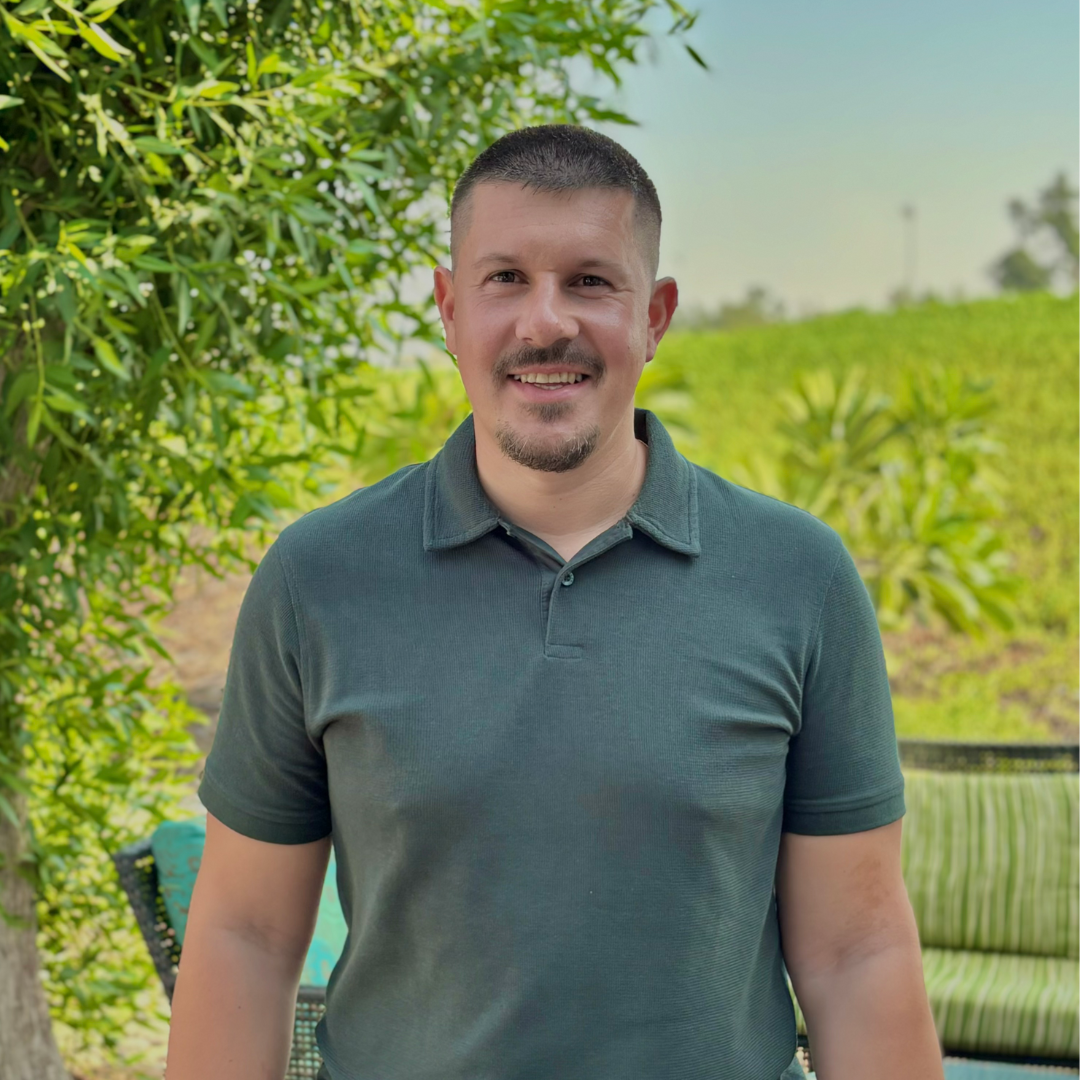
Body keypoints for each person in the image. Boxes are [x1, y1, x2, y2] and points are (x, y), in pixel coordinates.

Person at [165, 125, 944, 1080]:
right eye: (505, 279)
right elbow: (244, 935)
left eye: (589, 281)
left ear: (654, 316)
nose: (545, 323)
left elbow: (857, 952)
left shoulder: (798, 578)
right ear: (450, 310)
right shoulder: (316, 578)